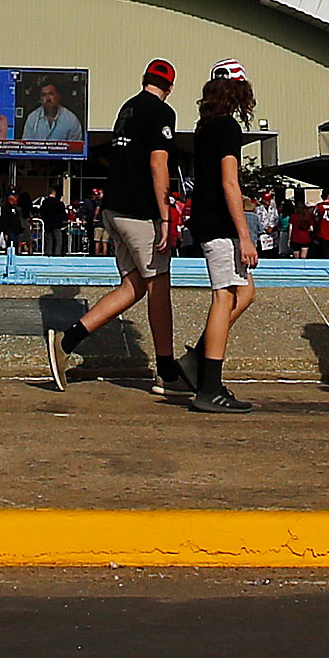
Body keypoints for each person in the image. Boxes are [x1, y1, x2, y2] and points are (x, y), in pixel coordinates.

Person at [58, 56, 189, 399]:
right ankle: (166, 372)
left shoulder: (127, 109)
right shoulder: (162, 113)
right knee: (159, 286)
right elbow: (158, 163)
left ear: (143, 78)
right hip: (139, 212)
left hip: (113, 209)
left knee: (134, 285)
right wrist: (164, 216)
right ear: (170, 88)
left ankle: (67, 340)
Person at [178, 64, 266, 412]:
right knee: (224, 297)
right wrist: (244, 235)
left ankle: (199, 360)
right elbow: (231, 182)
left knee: (245, 292)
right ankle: (208, 386)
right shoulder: (227, 128)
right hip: (220, 223)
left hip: (206, 218)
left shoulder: (206, 127)